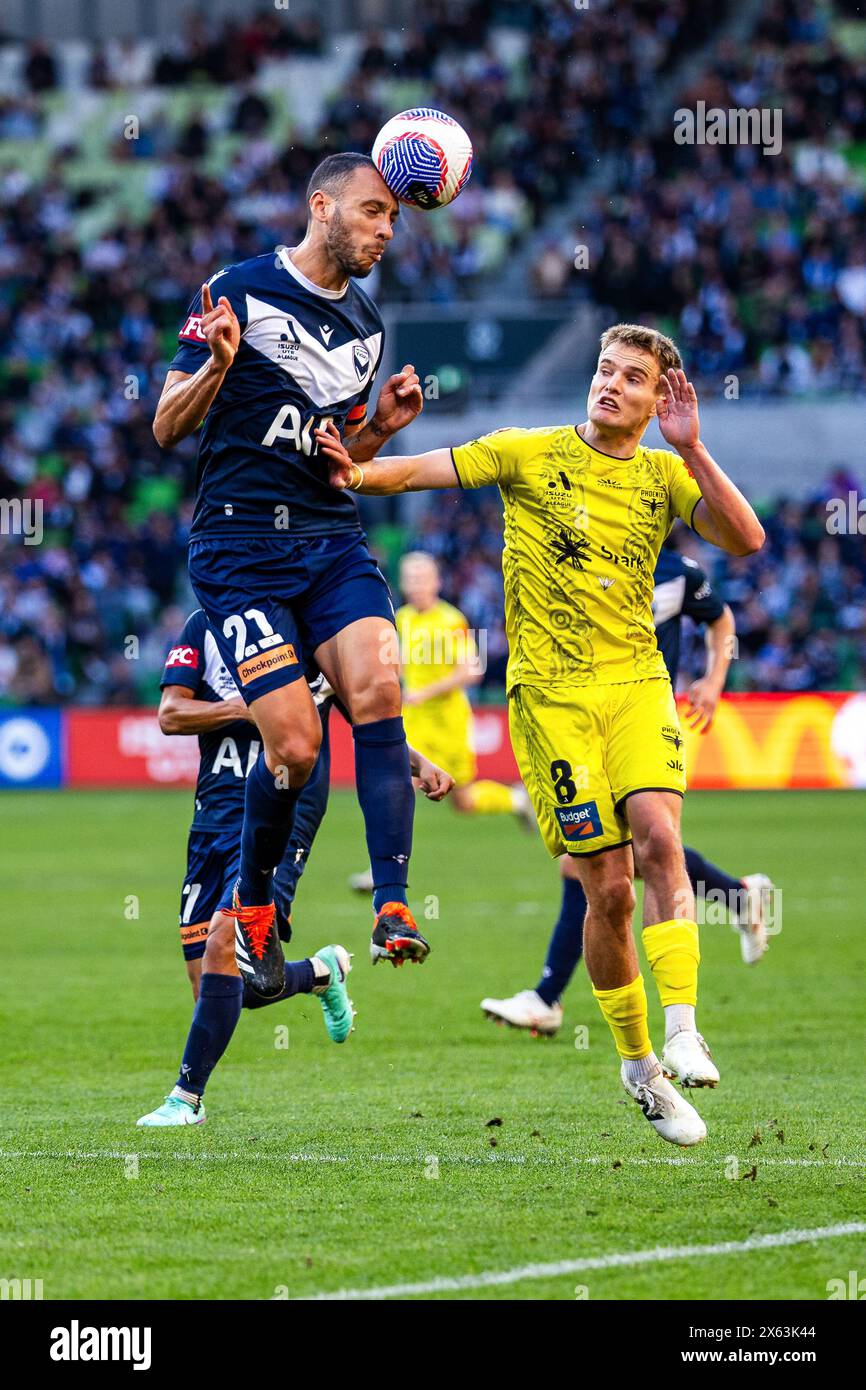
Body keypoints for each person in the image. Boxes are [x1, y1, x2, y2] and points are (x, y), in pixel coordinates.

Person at [316, 322, 765, 1147]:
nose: (610, 384)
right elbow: (418, 471)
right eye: (604, 369)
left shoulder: (667, 474)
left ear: (656, 398)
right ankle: (639, 1068)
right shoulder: (527, 450)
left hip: (636, 686)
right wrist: (352, 466)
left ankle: (683, 1026)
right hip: (549, 701)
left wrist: (695, 449)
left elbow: (746, 537)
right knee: (608, 888)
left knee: (661, 837)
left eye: (632, 377)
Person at [152, 152, 428, 1001]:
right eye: (375, 212)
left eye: (394, 219)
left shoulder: (369, 330)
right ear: (323, 206)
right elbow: (165, 425)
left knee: (381, 690)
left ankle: (392, 904)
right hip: (240, 551)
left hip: (327, 537)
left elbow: (334, 465)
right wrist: (220, 368)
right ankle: (260, 903)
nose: (387, 231)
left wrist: (376, 432)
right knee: (297, 748)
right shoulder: (232, 289)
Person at [138, 610, 454, 1127]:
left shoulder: (317, 631)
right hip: (212, 820)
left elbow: (365, 715)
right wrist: (243, 710)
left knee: (225, 940)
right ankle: (320, 972)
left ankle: (185, 1098)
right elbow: (171, 714)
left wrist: (419, 764)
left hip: (285, 811)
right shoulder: (203, 628)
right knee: (218, 989)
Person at [480, 541, 775, 1037]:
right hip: (590, 721)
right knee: (636, 850)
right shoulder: (588, 555)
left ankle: (547, 998)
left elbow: (721, 620)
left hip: (643, 722)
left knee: (602, 855)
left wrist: (714, 679)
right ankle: (739, 898)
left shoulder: (678, 573)